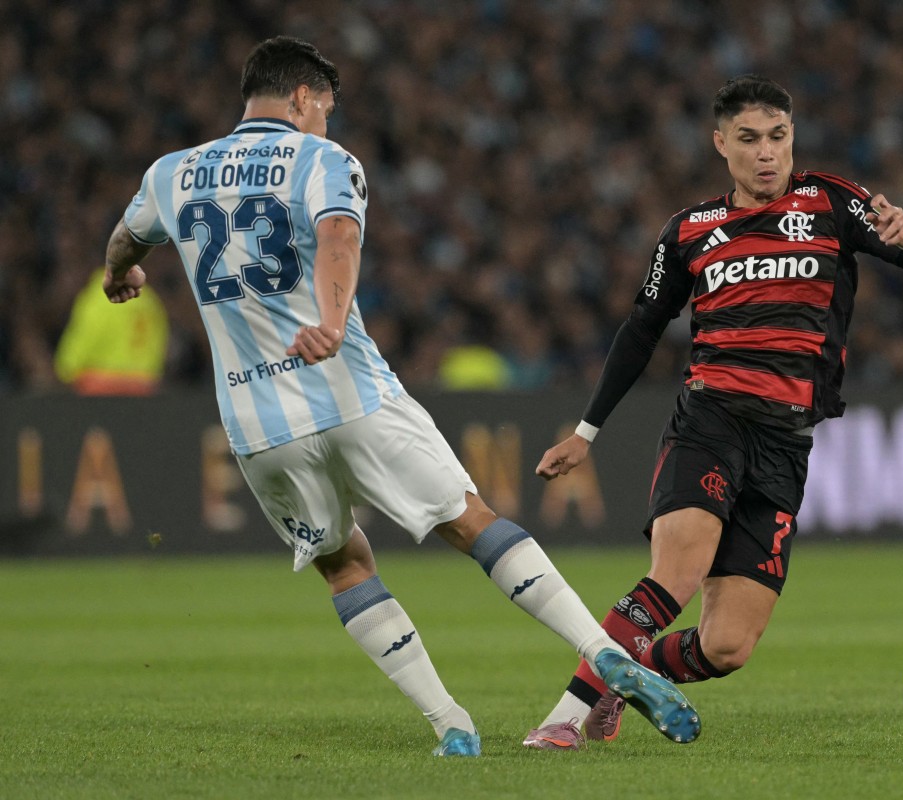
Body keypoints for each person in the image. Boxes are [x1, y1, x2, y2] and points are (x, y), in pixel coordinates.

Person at [102, 35, 699, 758]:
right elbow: (339, 240)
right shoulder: (323, 160)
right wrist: (327, 320)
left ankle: (451, 725)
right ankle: (602, 652)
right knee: (471, 523)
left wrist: (122, 277)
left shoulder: (172, 173)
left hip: (259, 425)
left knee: (343, 564)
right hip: (352, 392)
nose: (325, 120)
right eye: (324, 106)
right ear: (301, 99)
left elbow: (124, 242)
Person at [522, 74, 903, 750]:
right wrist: (586, 431)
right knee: (678, 573)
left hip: (787, 443)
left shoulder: (832, 203)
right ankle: (564, 717)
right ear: (720, 143)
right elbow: (642, 329)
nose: (766, 153)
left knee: (727, 647)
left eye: (778, 137)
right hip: (711, 421)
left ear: (792, 139)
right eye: (749, 140)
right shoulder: (690, 230)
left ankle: (621, 677)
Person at [55, 266, 169, 395]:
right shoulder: (150, 299)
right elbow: (160, 345)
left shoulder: (97, 296)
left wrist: (66, 369)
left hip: (102, 387)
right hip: (143, 386)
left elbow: (86, 337)